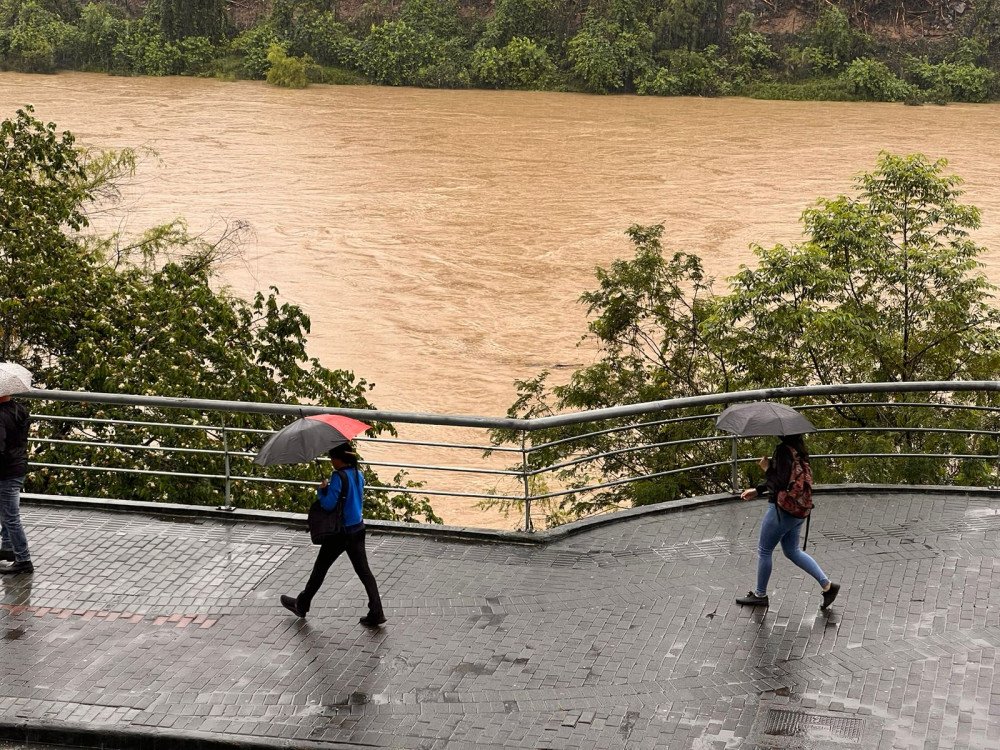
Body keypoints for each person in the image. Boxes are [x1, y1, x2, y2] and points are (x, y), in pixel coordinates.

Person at [281, 442, 385, 626]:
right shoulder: (358, 474)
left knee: (320, 569)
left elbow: (328, 504)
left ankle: (302, 604)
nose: (331, 462)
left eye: (332, 458)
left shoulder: (338, 477)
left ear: (338, 459)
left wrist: (322, 490)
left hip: (340, 533)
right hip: (358, 529)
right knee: (365, 572)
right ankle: (376, 611)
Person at [736, 433, 839, 610]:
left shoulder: (783, 451)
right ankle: (828, 586)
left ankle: (760, 595)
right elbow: (787, 480)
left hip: (782, 510)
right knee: (792, 551)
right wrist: (758, 490)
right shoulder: (799, 451)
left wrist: (767, 467)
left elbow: (780, 483)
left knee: (764, 550)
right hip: (798, 509)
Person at [0, 395, 32, 574]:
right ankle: (8, 547)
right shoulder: (19, 409)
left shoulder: (0, 416)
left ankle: (23, 559)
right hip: (18, 465)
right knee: (6, 511)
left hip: (6, 470)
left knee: (11, 517)